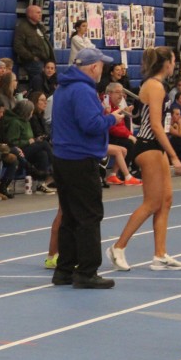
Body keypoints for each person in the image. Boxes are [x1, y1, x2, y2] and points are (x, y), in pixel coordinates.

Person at [107, 47, 181, 273]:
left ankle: (160, 255)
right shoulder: (154, 86)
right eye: (173, 61)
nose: (174, 65)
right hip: (148, 146)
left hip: (156, 147)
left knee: (166, 200)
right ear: (166, 63)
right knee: (152, 202)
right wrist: (173, 156)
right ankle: (118, 247)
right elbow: (155, 125)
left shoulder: (158, 85)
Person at [50, 48, 123, 290]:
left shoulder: (64, 88)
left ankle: (64, 270)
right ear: (94, 67)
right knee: (90, 215)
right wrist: (112, 119)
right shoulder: (83, 90)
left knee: (70, 215)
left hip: (63, 157)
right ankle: (87, 271)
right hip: (80, 159)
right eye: (101, 66)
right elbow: (90, 125)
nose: (103, 70)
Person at [13, 4, 54, 92]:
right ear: (30, 14)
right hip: (33, 62)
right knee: (39, 82)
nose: (40, 15)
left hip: (45, 59)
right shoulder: (22, 28)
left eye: (41, 12)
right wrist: (32, 57)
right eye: (38, 13)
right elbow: (18, 46)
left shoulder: (40, 27)